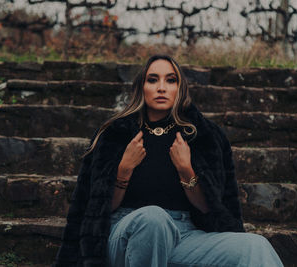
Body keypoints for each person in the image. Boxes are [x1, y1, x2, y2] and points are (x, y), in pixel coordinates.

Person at [54, 54, 283, 267]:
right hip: (123, 232)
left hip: (186, 234)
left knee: (255, 246)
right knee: (153, 219)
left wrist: (186, 171)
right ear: (141, 87)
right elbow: (95, 208)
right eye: (153, 80)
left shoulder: (204, 136)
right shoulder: (114, 134)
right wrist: (124, 169)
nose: (161, 87)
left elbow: (212, 209)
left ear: (180, 88)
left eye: (170, 80)